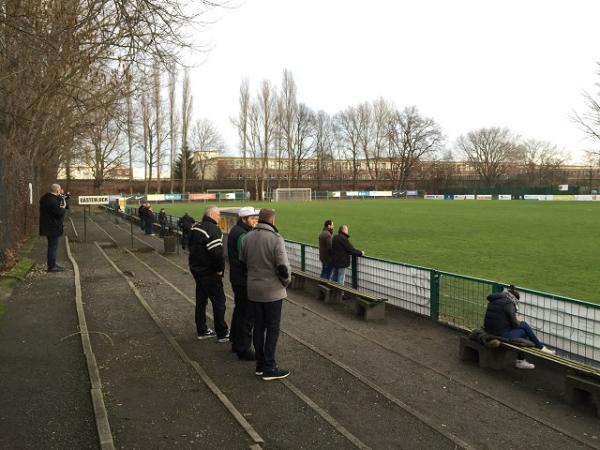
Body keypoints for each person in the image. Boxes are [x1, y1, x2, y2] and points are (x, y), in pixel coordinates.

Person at [241, 208, 291, 381]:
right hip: (272, 291)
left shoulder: (247, 238)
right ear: (272, 220)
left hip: (253, 289)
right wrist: (284, 284)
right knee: (272, 328)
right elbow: (283, 268)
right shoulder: (276, 239)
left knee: (259, 327)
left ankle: (260, 365)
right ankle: (270, 366)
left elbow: (244, 260)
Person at [484, 285, 556, 370]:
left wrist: (515, 320)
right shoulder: (509, 303)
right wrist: (518, 320)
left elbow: (501, 318)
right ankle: (537, 349)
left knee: (523, 330)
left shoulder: (495, 299)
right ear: (514, 298)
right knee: (524, 327)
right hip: (500, 334)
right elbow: (515, 324)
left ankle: (528, 355)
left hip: (490, 331)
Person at [189, 206, 229, 342]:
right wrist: (219, 270)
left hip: (197, 271)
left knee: (201, 301)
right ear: (212, 214)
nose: (219, 217)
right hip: (209, 272)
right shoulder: (212, 229)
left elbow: (190, 246)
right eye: (218, 214)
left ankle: (202, 330)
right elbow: (217, 254)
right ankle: (222, 333)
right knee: (219, 302)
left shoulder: (196, 226)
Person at [228, 206, 259, 360]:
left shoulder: (237, 231)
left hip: (238, 278)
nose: (255, 220)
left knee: (239, 311)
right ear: (244, 219)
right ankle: (243, 349)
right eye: (252, 218)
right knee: (246, 314)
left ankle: (235, 340)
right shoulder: (243, 235)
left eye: (256, 218)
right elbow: (247, 259)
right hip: (243, 280)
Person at [39, 183, 67, 272]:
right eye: (59, 190)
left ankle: (52, 264)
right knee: (52, 247)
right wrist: (63, 207)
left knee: (52, 246)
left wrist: (62, 197)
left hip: (49, 226)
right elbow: (59, 213)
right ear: (57, 190)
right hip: (52, 227)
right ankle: (52, 266)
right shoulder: (52, 201)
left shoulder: (48, 198)